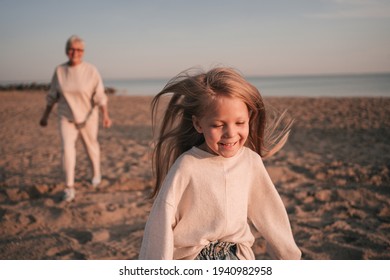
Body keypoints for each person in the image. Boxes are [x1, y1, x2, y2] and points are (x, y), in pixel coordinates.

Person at [139, 67, 301, 260]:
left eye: (239, 123)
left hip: (237, 256)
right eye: (218, 125)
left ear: (249, 117)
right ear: (199, 124)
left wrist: (289, 257)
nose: (230, 133)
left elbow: (269, 211)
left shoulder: (250, 161)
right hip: (193, 258)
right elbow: (161, 220)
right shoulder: (187, 165)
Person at [39, 35, 112, 202]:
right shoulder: (59, 71)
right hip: (66, 118)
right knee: (67, 150)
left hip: (88, 118)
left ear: (83, 52)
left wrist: (105, 116)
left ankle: (95, 174)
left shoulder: (91, 70)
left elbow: (100, 95)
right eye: (72, 49)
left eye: (79, 49)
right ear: (66, 51)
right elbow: (52, 96)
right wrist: (45, 116)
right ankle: (69, 187)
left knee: (91, 148)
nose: (75, 52)